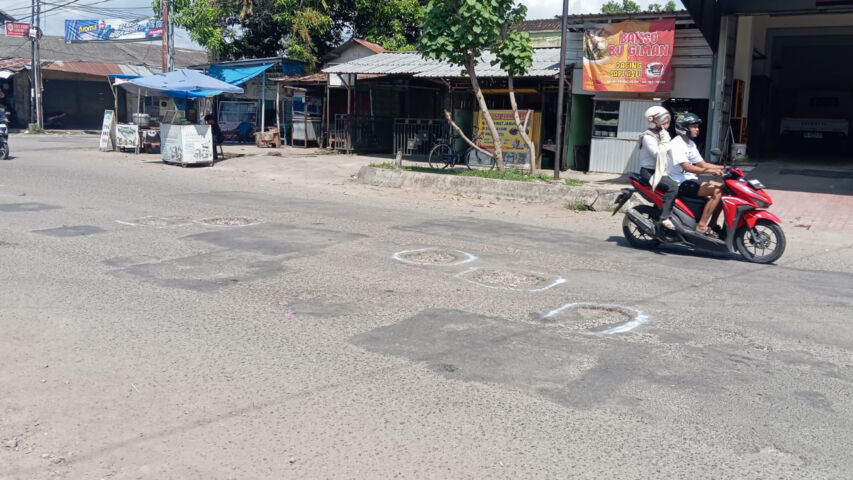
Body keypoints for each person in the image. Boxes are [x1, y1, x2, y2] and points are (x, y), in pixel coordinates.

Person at [666, 112, 726, 234]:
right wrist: (711, 171)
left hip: (690, 179)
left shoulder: (690, 144)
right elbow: (687, 167)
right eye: (693, 126)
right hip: (679, 182)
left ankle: (713, 224)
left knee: (724, 188)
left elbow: (702, 164)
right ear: (684, 128)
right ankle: (702, 226)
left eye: (697, 127)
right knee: (717, 191)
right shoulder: (676, 144)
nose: (697, 129)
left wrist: (725, 167)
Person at [637, 106, 678, 230]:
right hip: (649, 172)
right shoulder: (648, 137)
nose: (667, 126)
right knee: (673, 187)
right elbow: (657, 154)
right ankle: (664, 217)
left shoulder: (661, 135)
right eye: (664, 123)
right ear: (654, 123)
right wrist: (665, 140)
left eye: (668, 123)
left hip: (662, 171)